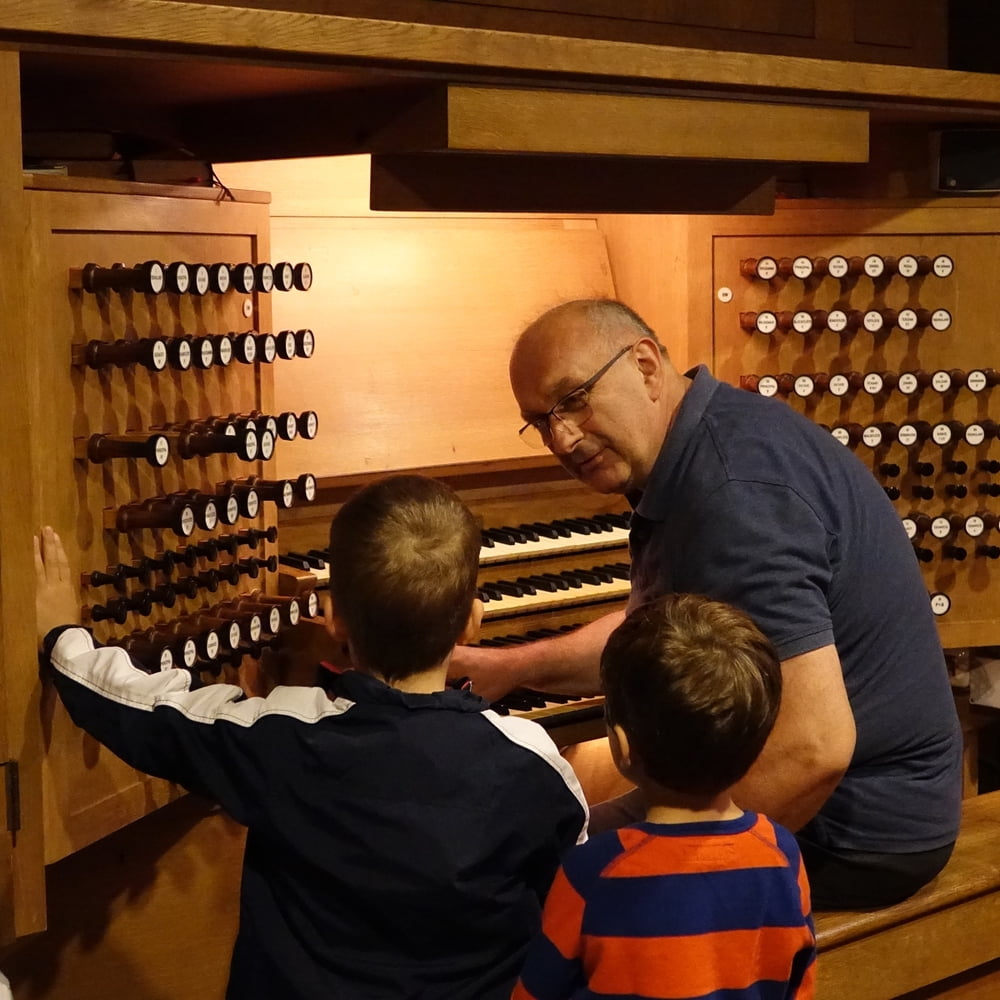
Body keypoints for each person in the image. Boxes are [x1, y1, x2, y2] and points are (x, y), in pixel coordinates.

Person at [453, 297, 962, 910]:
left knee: (529, 887)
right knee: (558, 803)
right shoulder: (708, 441)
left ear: (644, 365)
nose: (561, 437)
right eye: (540, 420)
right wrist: (515, 668)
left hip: (862, 830)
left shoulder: (733, 497)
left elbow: (813, 753)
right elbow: (670, 637)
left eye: (574, 399)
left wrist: (633, 866)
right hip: (848, 792)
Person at [35, 475, 589, 1000]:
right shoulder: (536, 764)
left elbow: (145, 710)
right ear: (473, 621)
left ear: (333, 619)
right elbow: (570, 905)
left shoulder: (283, 740)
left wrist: (65, 639)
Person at [513, 593, 816, 1000]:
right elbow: (798, 985)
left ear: (621, 747)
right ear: (756, 746)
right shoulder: (784, 854)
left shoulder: (591, 871)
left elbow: (536, 994)